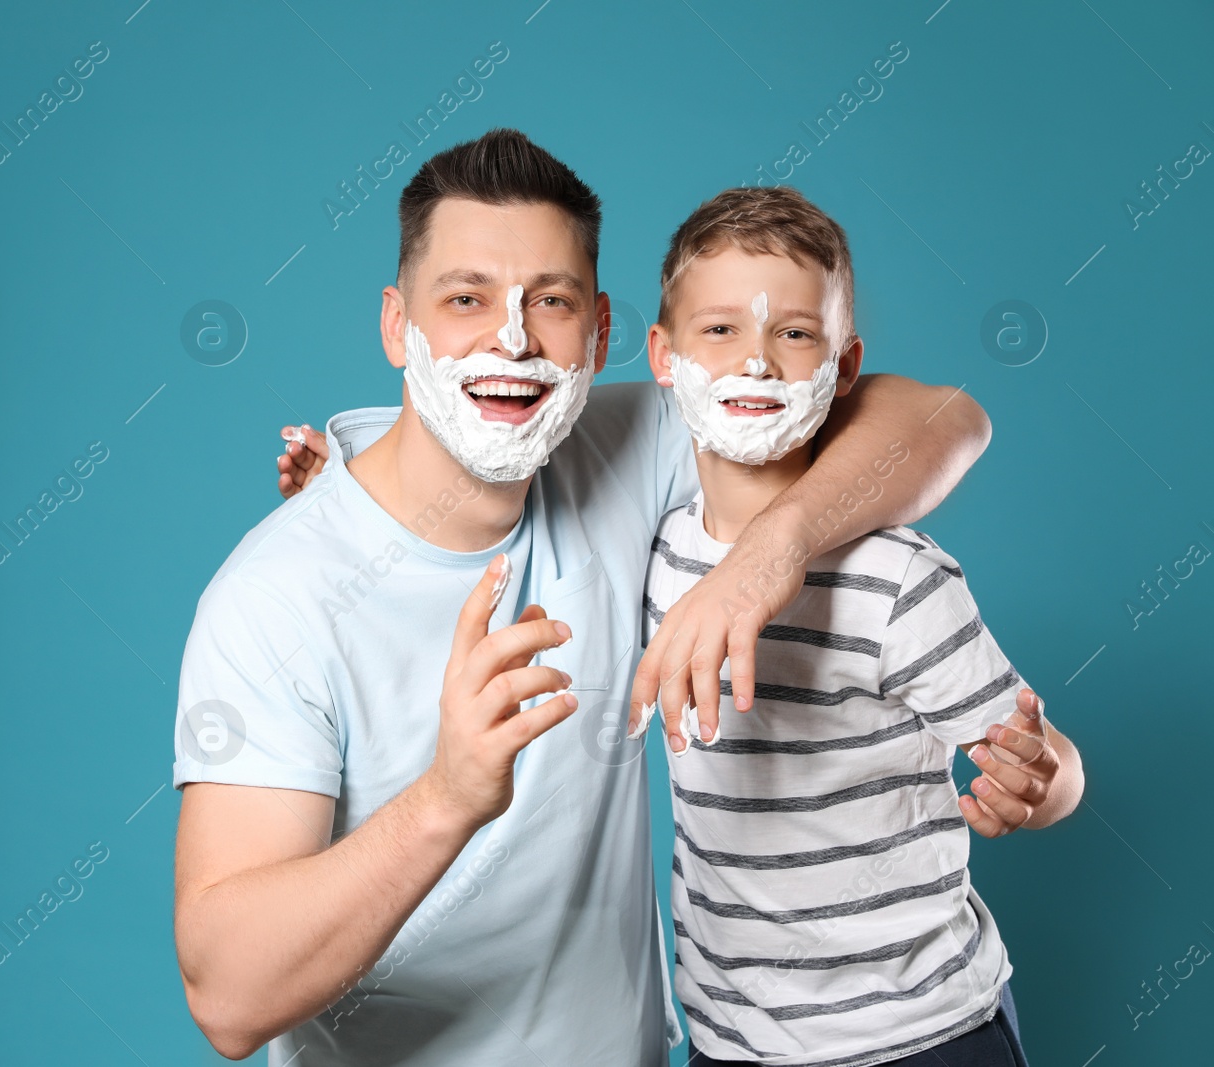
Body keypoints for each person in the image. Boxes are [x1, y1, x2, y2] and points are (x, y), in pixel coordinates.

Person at [176, 127, 1011, 1066]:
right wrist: (448, 797)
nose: (511, 337)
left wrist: (774, 548)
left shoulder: (624, 452)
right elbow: (228, 996)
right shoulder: (275, 597)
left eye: (552, 302)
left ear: (605, 336)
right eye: (465, 298)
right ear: (395, 325)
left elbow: (942, 416)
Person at [637, 185, 1084, 1065]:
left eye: (794, 333)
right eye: (719, 329)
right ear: (663, 355)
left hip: (920, 1035)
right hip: (731, 1043)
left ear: (844, 367)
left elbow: (1054, 765)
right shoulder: (653, 556)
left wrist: (1040, 782)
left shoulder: (896, 580)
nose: (755, 364)